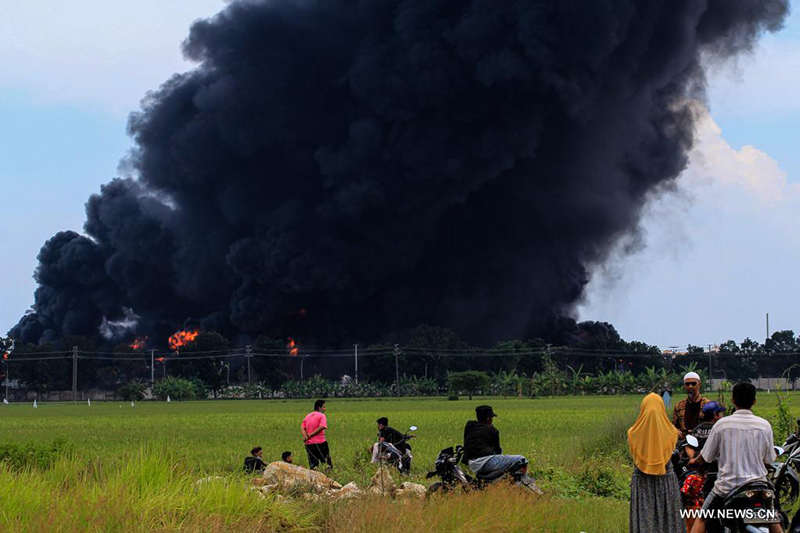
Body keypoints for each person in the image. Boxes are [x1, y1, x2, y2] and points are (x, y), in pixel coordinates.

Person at [688, 383, 781, 533]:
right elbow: (769, 460)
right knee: (772, 518)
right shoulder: (764, 425)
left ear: (733, 400)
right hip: (759, 486)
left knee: (702, 518)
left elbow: (705, 457)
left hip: (727, 486)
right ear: (754, 401)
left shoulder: (722, 425)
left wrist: (694, 462)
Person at [628, 393, 683, 533]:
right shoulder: (672, 432)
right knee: (669, 521)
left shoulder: (632, 433)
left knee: (645, 521)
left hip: (642, 483)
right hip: (667, 483)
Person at [462, 405, 540, 493]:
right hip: (486, 462)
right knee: (521, 459)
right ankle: (519, 485)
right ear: (488, 419)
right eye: (491, 417)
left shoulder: (469, 426)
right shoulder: (492, 430)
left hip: (472, 464)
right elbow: (498, 450)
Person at [680, 401, 725, 532]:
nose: (721, 416)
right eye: (720, 413)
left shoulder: (698, 429)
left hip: (700, 471)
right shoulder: (720, 430)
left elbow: (687, 445)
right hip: (718, 473)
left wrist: (693, 459)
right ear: (715, 415)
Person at [673, 372, 711, 439]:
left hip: (702, 441)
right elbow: (674, 426)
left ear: (699, 385)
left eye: (693, 384)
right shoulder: (679, 406)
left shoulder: (707, 404)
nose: (690, 386)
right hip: (684, 441)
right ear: (684, 386)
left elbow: (712, 425)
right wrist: (678, 432)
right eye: (687, 384)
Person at [301, 399, 332, 469]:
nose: (324, 409)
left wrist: (306, 436)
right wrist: (311, 434)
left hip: (309, 444)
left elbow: (302, 428)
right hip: (320, 443)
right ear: (319, 407)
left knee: (313, 466)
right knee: (327, 464)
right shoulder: (322, 416)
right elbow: (322, 427)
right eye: (323, 407)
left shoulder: (307, 416)